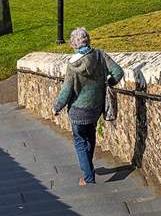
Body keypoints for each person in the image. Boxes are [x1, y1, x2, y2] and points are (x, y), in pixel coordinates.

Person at [52, 26, 123, 185]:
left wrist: (57, 106)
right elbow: (118, 72)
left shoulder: (72, 65)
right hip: (95, 108)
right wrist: (108, 83)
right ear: (88, 40)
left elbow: (67, 90)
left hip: (78, 110)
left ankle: (88, 178)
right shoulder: (100, 55)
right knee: (90, 137)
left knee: (79, 141)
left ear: (73, 44)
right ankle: (89, 170)